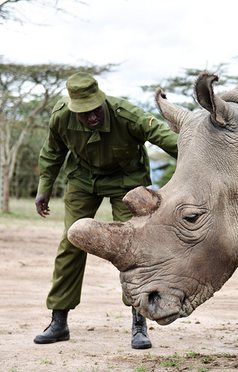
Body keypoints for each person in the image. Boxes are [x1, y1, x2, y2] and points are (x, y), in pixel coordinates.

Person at [34, 72, 178, 349]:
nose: (91, 117)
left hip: (125, 181)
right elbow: (52, 152)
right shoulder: (61, 117)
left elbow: (165, 138)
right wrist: (45, 187)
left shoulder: (127, 115)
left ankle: (139, 323)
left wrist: (202, 160)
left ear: (101, 99)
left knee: (133, 246)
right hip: (82, 180)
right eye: (83, 113)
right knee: (71, 242)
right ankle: (58, 320)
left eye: (94, 110)